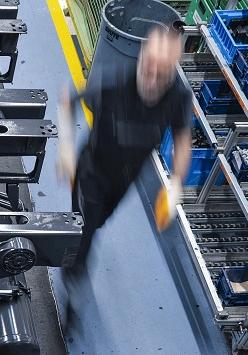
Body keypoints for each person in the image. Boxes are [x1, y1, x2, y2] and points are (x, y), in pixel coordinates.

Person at [58, 27, 192, 269]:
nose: (152, 81)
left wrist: (176, 186)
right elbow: (68, 98)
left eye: (161, 75)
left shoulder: (179, 96)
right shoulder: (112, 81)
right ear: (142, 58)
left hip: (125, 179)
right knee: (84, 226)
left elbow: (183, 141)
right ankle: (72, 270)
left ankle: (79, 247)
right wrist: (65, 146)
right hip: (92, 169)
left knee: (98, 222)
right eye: (149, 69)